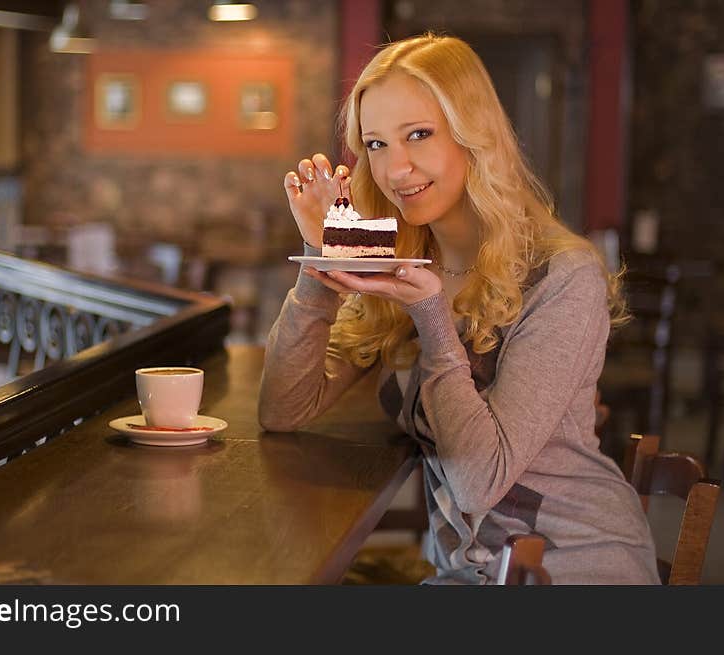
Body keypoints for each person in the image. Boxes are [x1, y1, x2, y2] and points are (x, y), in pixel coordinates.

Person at [258, 33, 661, 585]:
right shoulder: (402, 261)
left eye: (419, 135)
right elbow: (283, 409)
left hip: (571, 566)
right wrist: (321, 264)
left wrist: (432, 317)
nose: (396, 169)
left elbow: (478, 482)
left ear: (475, 136)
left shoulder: (563, 276)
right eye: (375, 144)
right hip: (466, 573)